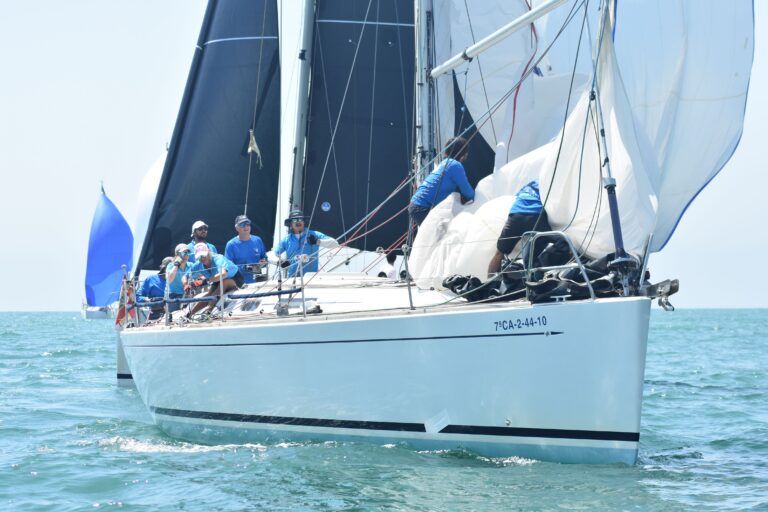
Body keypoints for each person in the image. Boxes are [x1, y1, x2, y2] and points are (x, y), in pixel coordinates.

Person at [487, 180, 551, 277]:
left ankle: (488, 285)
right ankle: (537, 281)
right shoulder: (548, 184)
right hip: (537, 216)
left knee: (500, 253)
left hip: (516, 216)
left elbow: (514, 198)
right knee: (561, 243)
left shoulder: (529, 184)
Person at [408, 136, 475, 226]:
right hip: (423, 208)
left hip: (416, 205)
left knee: (439, 235)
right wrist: (482, 200)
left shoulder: (444, 163)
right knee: (441, 236)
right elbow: (467, 192)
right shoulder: (456, 165)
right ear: (463, 153)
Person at [272, 209, 338, 277]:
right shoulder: (286, 240)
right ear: (291, 224)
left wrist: (317, 241)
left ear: (303, 221)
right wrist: (280, 262)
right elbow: (274, 254)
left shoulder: (314, 234)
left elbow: (335, 244)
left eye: (300, 219)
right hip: (292, 278)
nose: (298, 222)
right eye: (295, 220)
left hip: (311, 278)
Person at [184, 243, 243, 316]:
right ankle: (189, 314)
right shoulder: (198, 264)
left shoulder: (218, 258)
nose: (202, 258)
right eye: (199, 257)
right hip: (217, 280)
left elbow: (223, 274)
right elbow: (185, 276)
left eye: (203, 255)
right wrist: (186, 285)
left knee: (224, 282)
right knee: (209, 293)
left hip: (234, 278)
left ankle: (208, 310)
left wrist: (205, 281)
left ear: (208, 252)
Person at [224, 214, 267, 284]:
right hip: (240, 284)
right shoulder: (231, 244)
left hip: (258, 282)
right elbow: (228, 267)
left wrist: (263, 263)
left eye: (247, 224)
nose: (246, 227)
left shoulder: (258, 240)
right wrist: (248, 268)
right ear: (236, 228)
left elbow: (264, 257)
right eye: (242, 224)